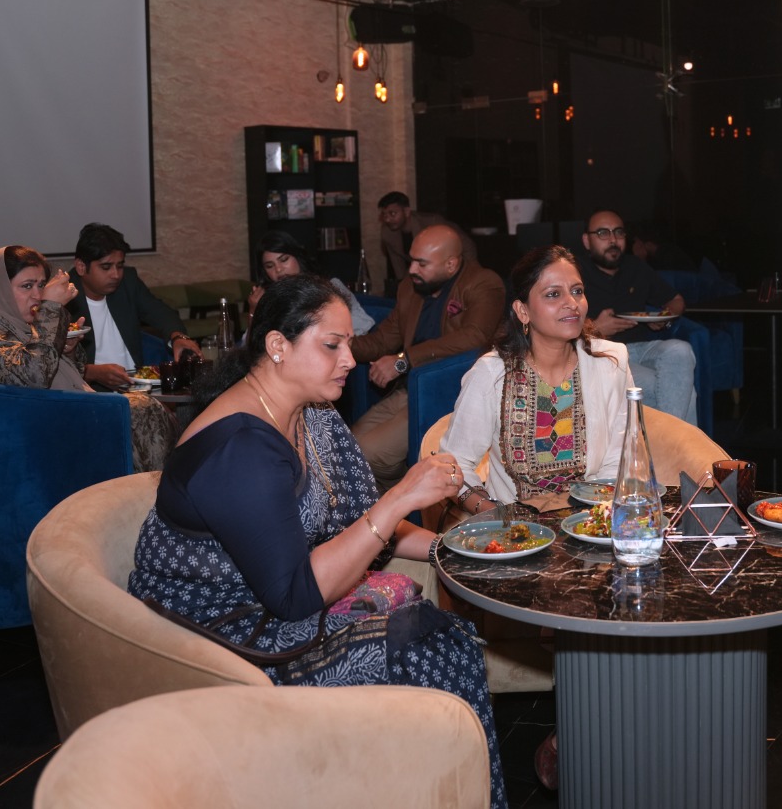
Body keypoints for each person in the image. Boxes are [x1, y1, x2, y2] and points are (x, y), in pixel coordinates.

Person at [126, 275, 507, 807]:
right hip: (222, 635)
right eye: (332, 345)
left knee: (439, 637)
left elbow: (361, 527)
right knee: (433, 651)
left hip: (276, 601)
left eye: (349, 343)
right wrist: (400, 496)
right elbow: (296, 595)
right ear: (277, 345)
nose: (349, 359)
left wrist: (457, 549)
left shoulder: (311, 415)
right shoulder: (240, 448)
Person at [0, 246, 177, 471]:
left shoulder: (17, 322)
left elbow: (64, 374)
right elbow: (33, 377)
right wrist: (50, 309)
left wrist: (67, 350)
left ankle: (153, 492)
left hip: (44, 415)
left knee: (148, 410)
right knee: (143, 409)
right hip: (19, 431)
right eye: (27, 286)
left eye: (41, 285)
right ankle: (160, 495)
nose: (37, 295)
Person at [440, 245, 632, 521]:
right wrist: (497, 516)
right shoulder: (492, 374)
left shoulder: (611, 362)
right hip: (517, 532)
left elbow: (618, 460)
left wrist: (591, 520)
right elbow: (454, 464)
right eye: (553, 294)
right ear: (523, 311)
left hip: (590, 521)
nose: (572, 302)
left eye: (577, 291)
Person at [350, 224, 505, 487]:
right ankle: (396, 500)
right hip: (410, 388)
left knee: (371, 453)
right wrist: (338, 343)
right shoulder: (411, 288)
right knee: (349, 447)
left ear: (451, 264)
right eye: (411, 261)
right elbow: (383, 339)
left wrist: (404, 360)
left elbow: (475, 336)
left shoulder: (483, 283)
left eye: (422, 264)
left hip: (449, 393)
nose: (412, 270)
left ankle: (413, 492)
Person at [577, 208, 698, 424]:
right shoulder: (574, 272)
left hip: (642, 348)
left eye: (619, 232)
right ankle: (673, 444)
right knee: (683, 391)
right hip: (600, 353)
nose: (613, 240)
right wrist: (594, 328)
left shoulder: (635, 267)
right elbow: (553, 323)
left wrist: (663, 316)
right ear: (587, 241)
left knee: (681, 349)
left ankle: (667, 442)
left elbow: (677, 300)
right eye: (603, 233)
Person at [66, 222, 201, 390]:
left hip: (137, 386)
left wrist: (178, 337)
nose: (116, 275)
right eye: (106, 267)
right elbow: (51, 362)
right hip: (90, 392)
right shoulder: (64, 297)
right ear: (81, 267)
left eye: (120, 265)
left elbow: (160, 312)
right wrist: (91, 372)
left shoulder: (127, 283)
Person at [248, 230, 373, 335]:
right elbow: (250, 346)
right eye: (270, 266)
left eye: (284, 259)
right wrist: (254, 310)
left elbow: (363, 323)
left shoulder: (330, 287)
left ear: (297, 256)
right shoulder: (269, 299)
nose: (278, 269)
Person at [377, 191, 477, 295]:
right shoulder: (387, 232)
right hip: (423, 270)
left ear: (406, 211)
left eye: (392, 213)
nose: (387, 219)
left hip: (452, 265)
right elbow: (398, 264)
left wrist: (467, 275)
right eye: (384, 214)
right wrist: (404, 289)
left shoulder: (433, 222)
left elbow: (468, 246)